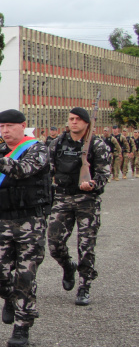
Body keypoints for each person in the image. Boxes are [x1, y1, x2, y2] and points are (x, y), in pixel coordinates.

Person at [0, 109, 51, 347]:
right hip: (2, 222)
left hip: (30, 222)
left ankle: (22, 326)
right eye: (2, 127)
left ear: (22, 126)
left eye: (10, 126)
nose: (5, 131)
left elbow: (22, 169)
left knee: (25, 275)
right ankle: (10, 297)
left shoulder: (37, 149)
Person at [46, 107, 111, 307]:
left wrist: (92, 184)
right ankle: (68, 265)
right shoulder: (58, 143)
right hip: (63, 198)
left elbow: (104, 174)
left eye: (78, 119)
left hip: (87, 201)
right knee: (54, 243)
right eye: (71, 119)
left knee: (86, 245)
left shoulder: (98, 145)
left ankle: (84, 286)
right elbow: (47, 168)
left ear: (86, 123)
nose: (73, 122)